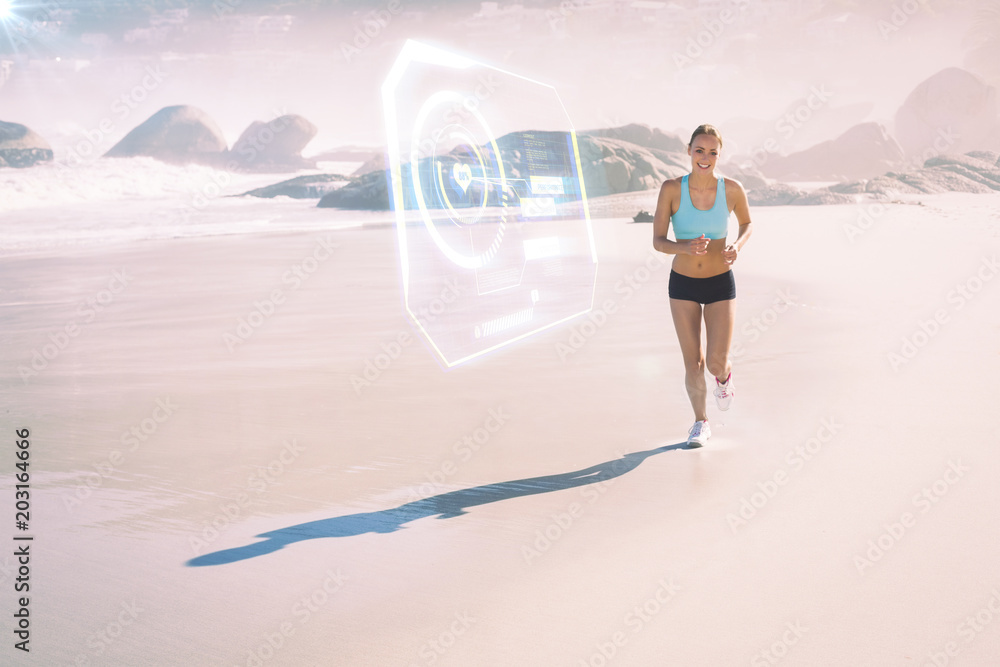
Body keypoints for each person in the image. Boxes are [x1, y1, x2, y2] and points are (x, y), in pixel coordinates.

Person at [652, 124, 752, 446]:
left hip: (720, 282)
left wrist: (737, 245)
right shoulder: (671, 189)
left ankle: (724, 378)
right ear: (689, 151)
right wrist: (683, 247)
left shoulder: (732, 189)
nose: (705, 157)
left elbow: (747, 224)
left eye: (712, 152)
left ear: (718, 155)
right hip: (682, 285)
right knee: (692, 362)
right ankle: (700, 422)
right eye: (699, 150)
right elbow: (657, 241)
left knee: (715, 362)